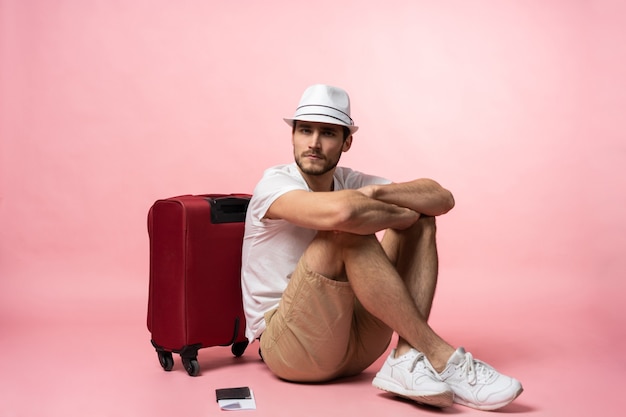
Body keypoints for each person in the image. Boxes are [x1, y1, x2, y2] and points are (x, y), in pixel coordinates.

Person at [241, 84, 523, 410]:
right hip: (291, 348)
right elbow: (342, 213)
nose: (314, 143)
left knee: (421, 221)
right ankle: (441, 356)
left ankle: (405, 358)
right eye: (305, 130)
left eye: (328, 133)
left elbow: (440, 197)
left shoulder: (352, 182)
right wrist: (382, 206)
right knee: (343, 231)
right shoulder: (274, 183)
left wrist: (374, 196)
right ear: (293, 135)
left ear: (346, 142)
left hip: (355, 343)